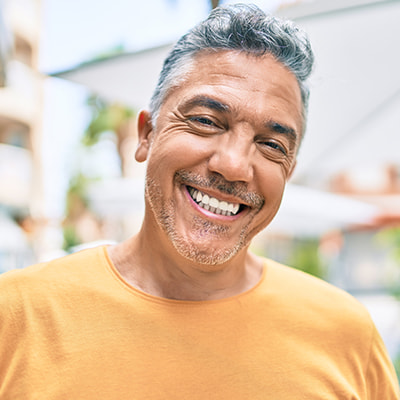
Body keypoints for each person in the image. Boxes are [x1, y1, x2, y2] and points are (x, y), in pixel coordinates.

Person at [0, 4, 399, 399]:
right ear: (146, 135)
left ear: (289, 172)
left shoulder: (346, 335)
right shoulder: (16, 314)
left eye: (271, 144)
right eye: (207, 121)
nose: (234, 166)